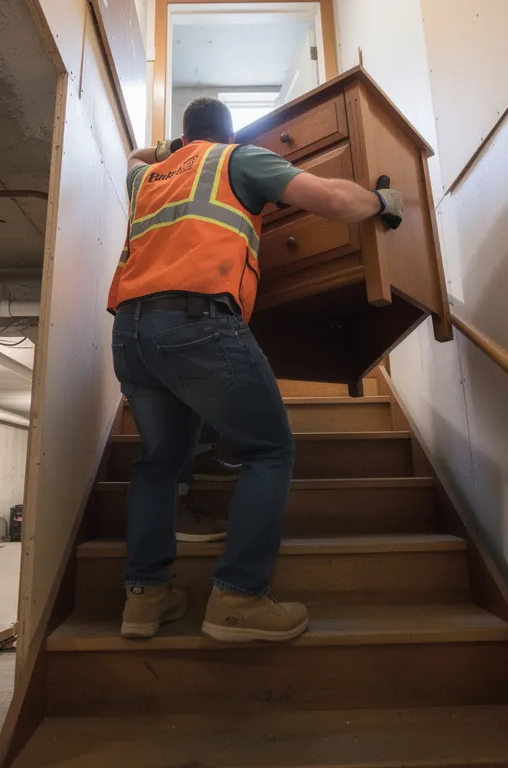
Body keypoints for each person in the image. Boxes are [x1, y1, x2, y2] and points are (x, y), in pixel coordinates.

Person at [108, 96, 404, 643]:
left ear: (184, 135)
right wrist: (383, 198)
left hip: (130, 332)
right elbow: (333, 199)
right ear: (227, 133)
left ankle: (145, 599)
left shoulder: (145, 178)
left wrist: (164, 147)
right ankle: (238, 598)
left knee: (159, 462)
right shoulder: (235, 159)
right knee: (269, 449)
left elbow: (131, 153)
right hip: (197, 325)